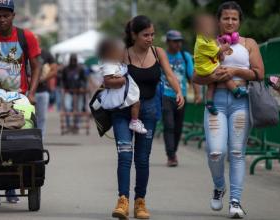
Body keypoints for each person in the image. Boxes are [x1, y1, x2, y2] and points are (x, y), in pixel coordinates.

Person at [193, 2, 264, 218]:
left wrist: (234, 70)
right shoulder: (208, 42)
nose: (230, 22)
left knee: (236, 152)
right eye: (226, 18)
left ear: (239, 21)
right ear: (218, 21)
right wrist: (213, 77)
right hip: (217, 102)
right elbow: (196, 76)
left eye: (234, 18)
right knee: (215, 152)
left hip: (240, 102)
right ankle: (219, 186)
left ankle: (235, 201)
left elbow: (259, 73)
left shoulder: (248, 43)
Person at [109, 15, 184, 219]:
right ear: (134, 35)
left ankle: (140, 201)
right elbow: (108, 77)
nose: (150, 38)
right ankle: (122, 200)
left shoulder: (158, 52)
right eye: (145, 35)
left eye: (152, 34)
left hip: (149, 111)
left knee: (142, 159)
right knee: (125, 155)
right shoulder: (123, 53)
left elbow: (169, 74)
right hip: (123, 112)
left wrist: (178, 91)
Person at [0, 0, 41, 206]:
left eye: (6, 15)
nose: (2, 19)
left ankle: (12, 186)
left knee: (15, 143)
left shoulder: (25, 36)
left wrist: (31, 93)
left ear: (13, 16)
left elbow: (37, 66)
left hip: (17, 98)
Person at [194, 13, 247, 115]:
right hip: (205, 68)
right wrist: (225, 47)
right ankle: (236, 91)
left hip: (205, 66)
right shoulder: (202, 42)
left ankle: (209, 103)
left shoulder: (205, 38)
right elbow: (217, 50)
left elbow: (215, 49)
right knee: (224, 72)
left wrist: (219, 47)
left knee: (211, 85)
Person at [162, 30, 199, 167]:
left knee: (178, 127)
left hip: (180, 96)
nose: (178, 44)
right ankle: (171, 156)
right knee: (169, 125)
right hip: (165, 95)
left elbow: (192, 76)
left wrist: (197, 94)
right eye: (175, 41)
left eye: (180, 41)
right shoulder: (162, 56)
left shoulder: (185, 56)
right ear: (168, 42)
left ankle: (173, 152)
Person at [97, 38, 147, 134]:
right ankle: (134, 122)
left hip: (122, 92)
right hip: (118, 93)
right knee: (136, 102)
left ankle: (134, 121)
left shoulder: (116, 63)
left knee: (136, 102)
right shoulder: (109, 64)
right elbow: (107, 81)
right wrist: (122, 80)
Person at [35, 37, 57, 136]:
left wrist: (43, 78)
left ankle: (40, 139)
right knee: (30, 117)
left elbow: (54, 70)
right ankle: (30, 139)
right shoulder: (26, 52)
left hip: (43, 91)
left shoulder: (46, 54)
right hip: (28, 90)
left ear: (39, 41)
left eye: (36, 40)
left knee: (42, 117)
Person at [61, 54, 86, 133]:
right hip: (68, 91)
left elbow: (84, 80)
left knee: (78, 108)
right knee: (68, 108)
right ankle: (68, 125)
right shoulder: (66, 69)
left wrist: (82, 87)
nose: (73, 62)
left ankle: (76, 125)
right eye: (72, 60)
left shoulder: (80, 69)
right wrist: (63, 87)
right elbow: (63, 80)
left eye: (74, 60)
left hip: (78, 92)